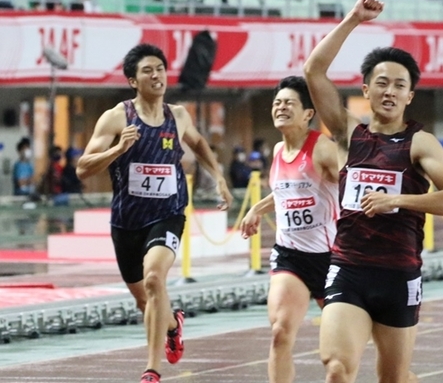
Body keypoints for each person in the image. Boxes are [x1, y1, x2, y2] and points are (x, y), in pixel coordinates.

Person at [303, 0, 443, 382]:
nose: (389, 91)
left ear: (410, 96)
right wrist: (353, 19)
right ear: (366, 90)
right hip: (348, 269)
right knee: (337, 369)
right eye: (382, 83)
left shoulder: (420, 143)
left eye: (399, 86)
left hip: (398, 275)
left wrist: (397, 199)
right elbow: (314, 71)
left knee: (393, 379)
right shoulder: (348, 134)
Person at [76, 43, 232, 383]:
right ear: (133, 80)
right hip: (127, 220)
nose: (156, 74)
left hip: (168, 212)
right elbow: (83, 169)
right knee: (145, 301)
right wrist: (119, 148)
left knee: (153, 278)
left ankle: (151, 369)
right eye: (148, 70)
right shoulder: (117, 117)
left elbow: (199, 143)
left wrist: (219, 177)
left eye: (160, 68)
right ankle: (174, 324)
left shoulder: (178, 115)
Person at [240, 76, 339, 383]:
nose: (280, 107)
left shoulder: (323, 149)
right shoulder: (279, 150)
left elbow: (353, 186)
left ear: (308, 113)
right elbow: (287, 191)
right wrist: (257, 208)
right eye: (277, 103)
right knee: (280, 332)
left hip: (333, 259)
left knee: (337, 354)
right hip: (290, 257)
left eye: (289, 103)